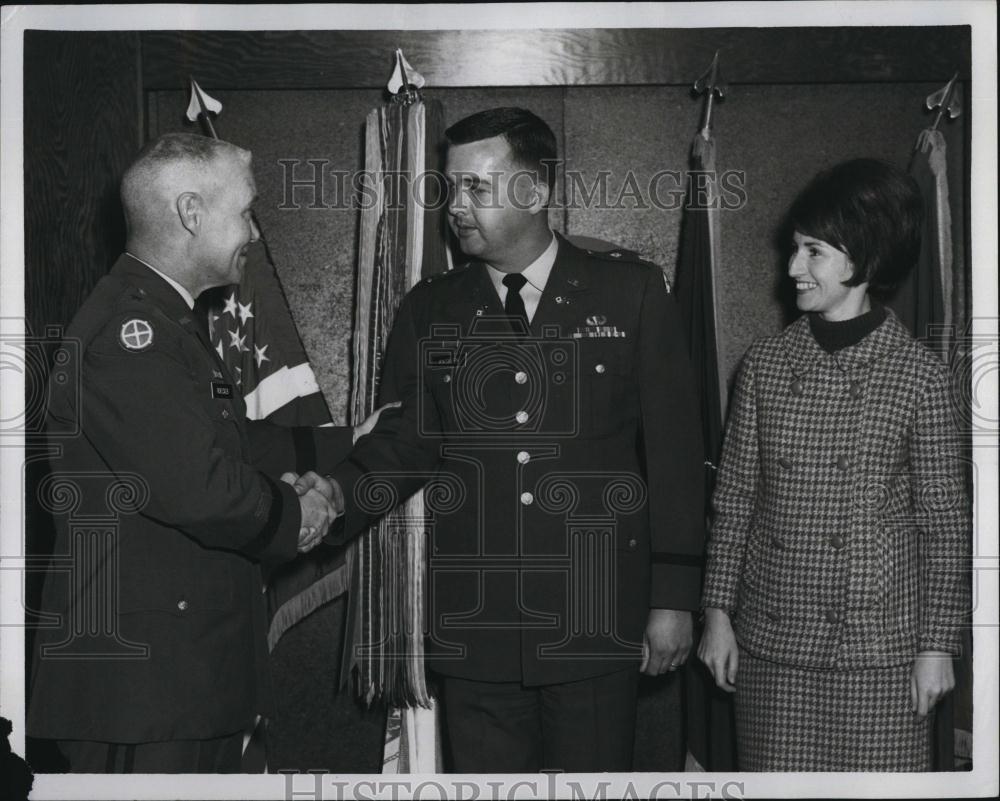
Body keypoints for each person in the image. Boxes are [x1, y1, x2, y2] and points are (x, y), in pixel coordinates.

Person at [300, 107, 705, 772]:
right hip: (477, 623)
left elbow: (675, 459)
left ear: (538, 191)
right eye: (450, 188)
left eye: (477, 188)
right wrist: (334, 497)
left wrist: (672, 597)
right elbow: (404, 442)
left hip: (592, 614)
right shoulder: (431, 307)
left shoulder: (628, 293)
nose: (455, 206)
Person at [26, 133, 388, 773]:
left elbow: (233, 438)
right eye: (246, 211)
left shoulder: (167, 319)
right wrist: (296, 516)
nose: (254, 230)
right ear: (191, 213)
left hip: (174, 677)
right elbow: (199, 485)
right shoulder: (128, 336)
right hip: (144, 687)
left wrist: (344, 442)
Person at [697, 159, 970, 771]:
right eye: (795, 249)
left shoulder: (919, 376)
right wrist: (717, 612)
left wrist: (936, 647)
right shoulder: (765, 366)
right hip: (772, 643)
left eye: (814, 252)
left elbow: (945, 526)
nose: (793, 268)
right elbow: (735, 498)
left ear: (865, 261)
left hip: (878, 650)